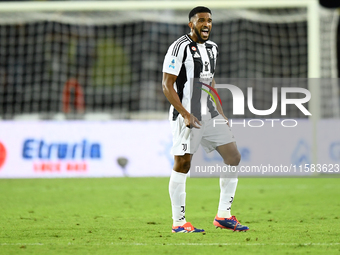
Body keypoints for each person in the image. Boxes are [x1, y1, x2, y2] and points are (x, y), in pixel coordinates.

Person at [162, 6, 249, 233]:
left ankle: (223, 216)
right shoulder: (179, 47)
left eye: (209, 20)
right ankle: (179, 222)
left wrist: (220, 111)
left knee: (233, 157)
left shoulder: (212, 48)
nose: (206, 24)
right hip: (188, 115)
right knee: (183, 164)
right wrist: (184, 113)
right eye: (201, 20)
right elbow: (166, 84)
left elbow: (211, 82)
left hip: (210, 114)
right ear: (191, 24)